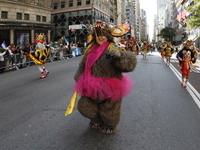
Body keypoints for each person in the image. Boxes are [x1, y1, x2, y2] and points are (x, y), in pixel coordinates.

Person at [73, 21, 137, 134]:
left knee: (109, 108)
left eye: (103, 34)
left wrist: (118, 55)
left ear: (107, 36)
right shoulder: (90, 49)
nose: (101, 37)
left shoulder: (114, 47)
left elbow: (130, 63)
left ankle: (109, 125)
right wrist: (78, 77)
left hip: (110, 86)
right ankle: (96, 120)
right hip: (91, 85)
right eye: (98, 34)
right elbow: (83, 65)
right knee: (84, 106)